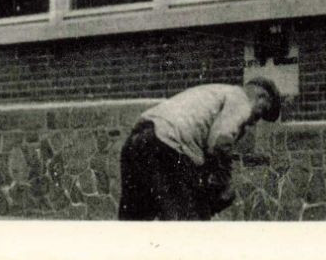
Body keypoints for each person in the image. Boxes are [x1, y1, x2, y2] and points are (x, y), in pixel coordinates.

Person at [117, 77, 282, 220]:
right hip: (167, 146)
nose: (254, 122)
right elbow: (220, 141)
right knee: (188, 224)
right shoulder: (241, 99)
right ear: (261, 96)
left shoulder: (214, 91)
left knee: (134, 223)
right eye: (260, 114)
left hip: (137, 141)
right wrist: (223, 183)